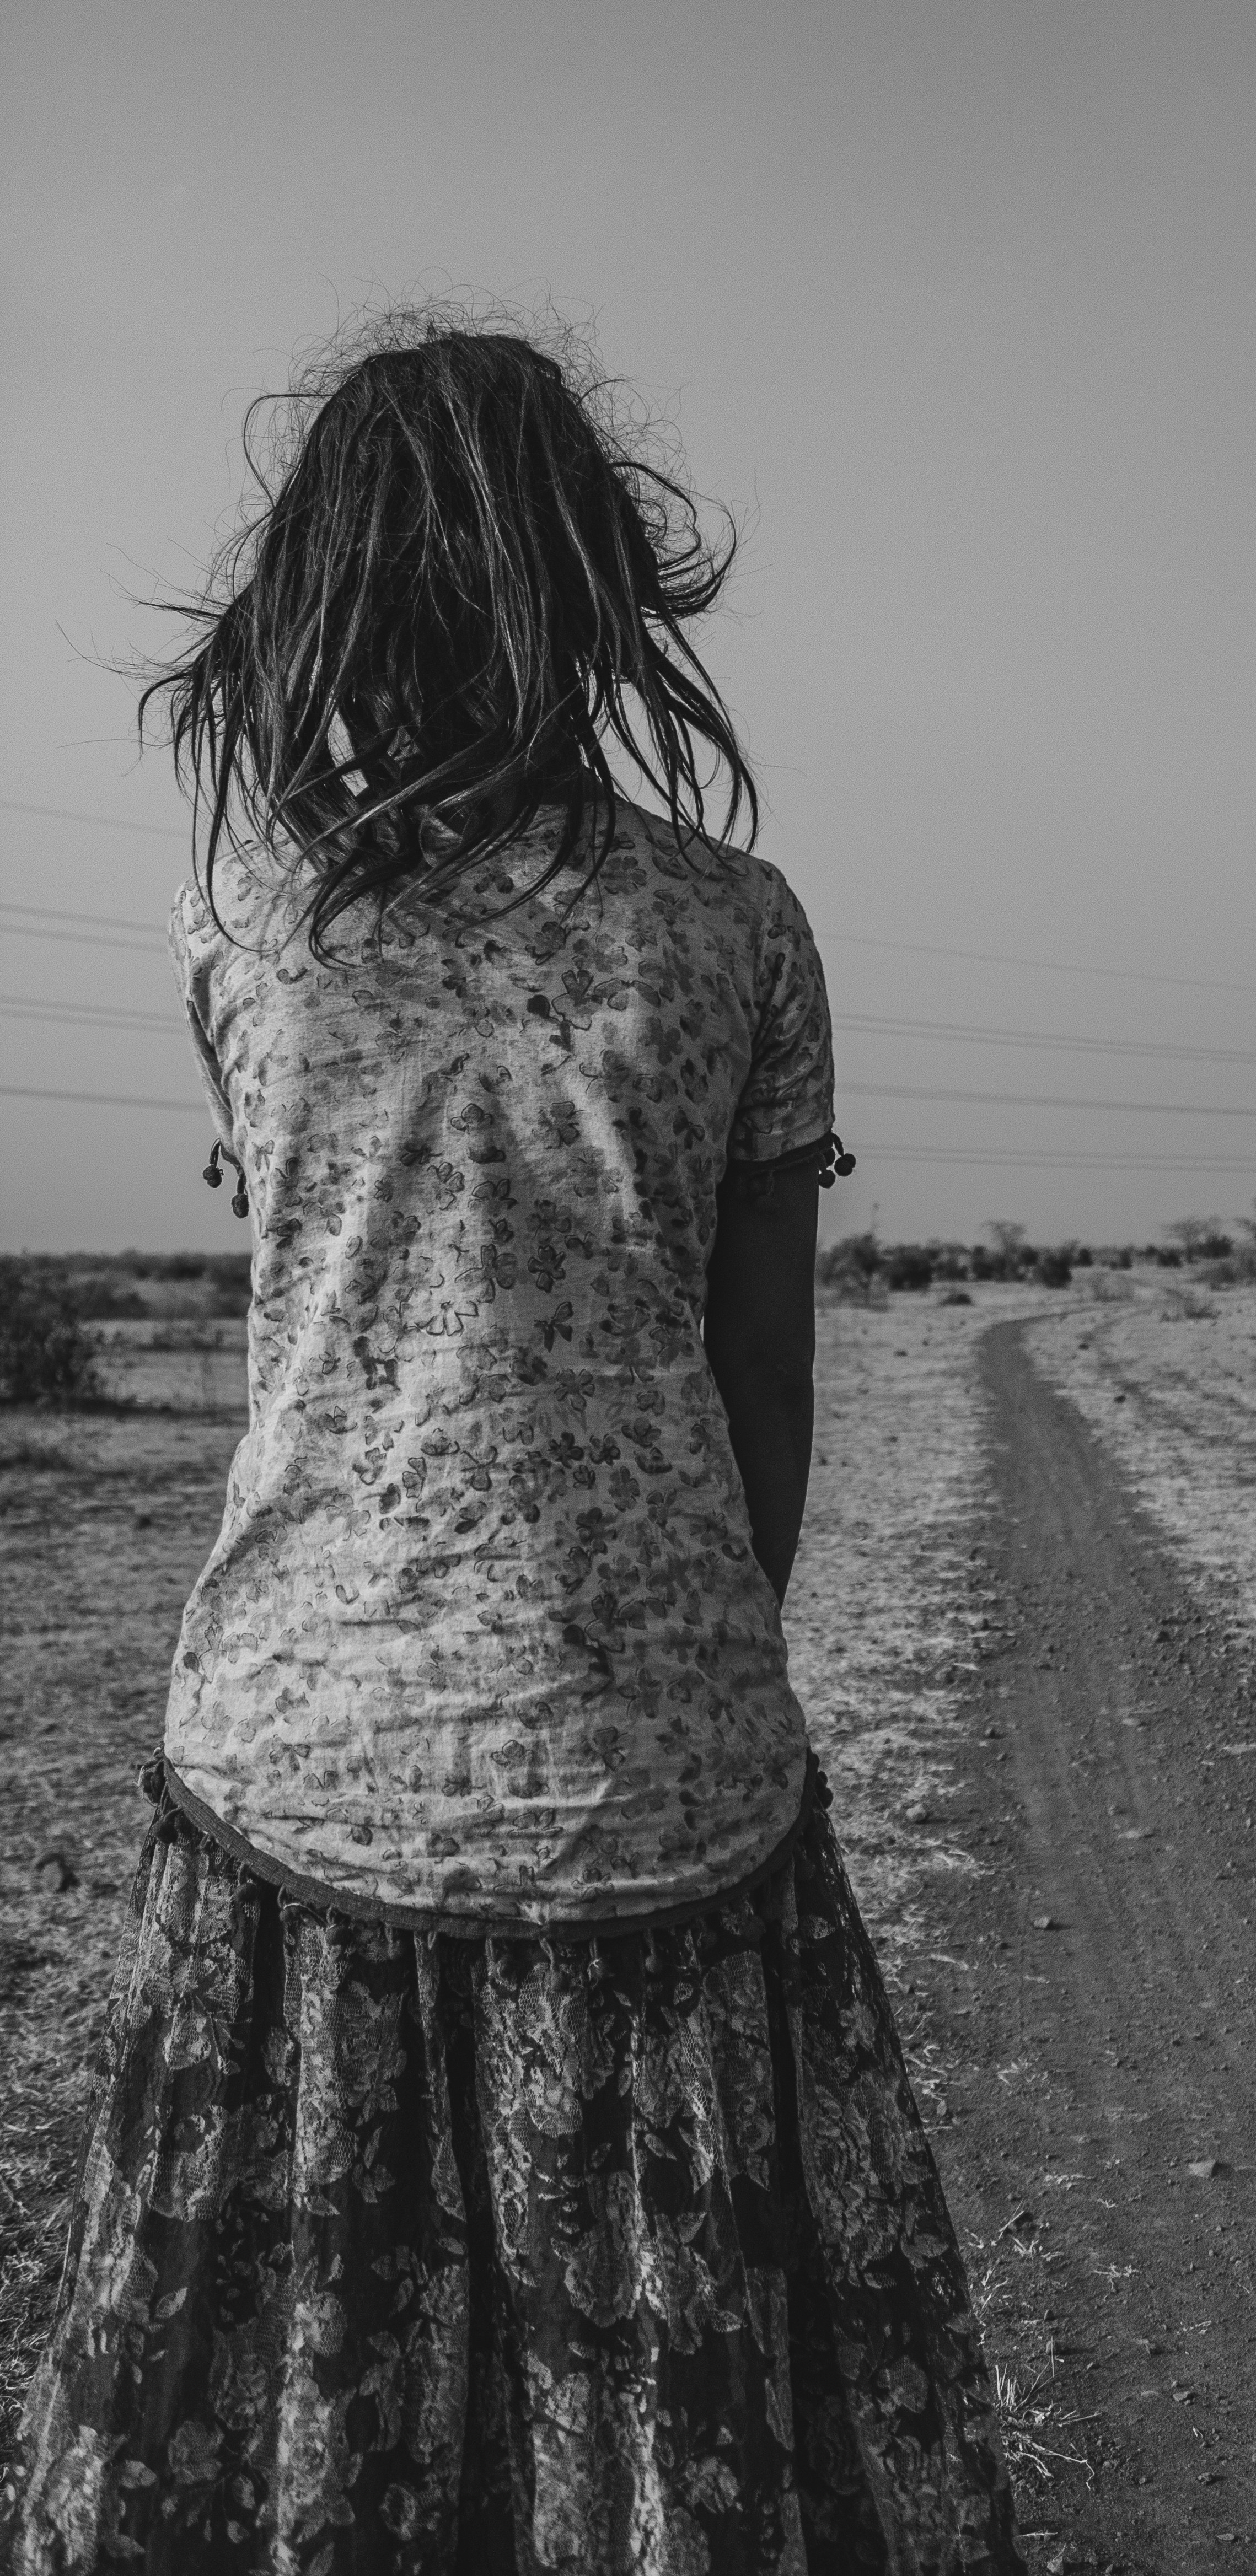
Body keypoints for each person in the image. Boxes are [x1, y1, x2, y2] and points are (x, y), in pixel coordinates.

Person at [11, 309, 1023, 2574]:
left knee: (318, 2405)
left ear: (330, 593)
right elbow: (762, 1370)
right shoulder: (737, 925)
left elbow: (315, 1304)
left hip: (295, 1751)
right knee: (652, 2430)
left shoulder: (250, 922)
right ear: (589, 580)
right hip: (643, 1768)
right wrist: (678, 1663)